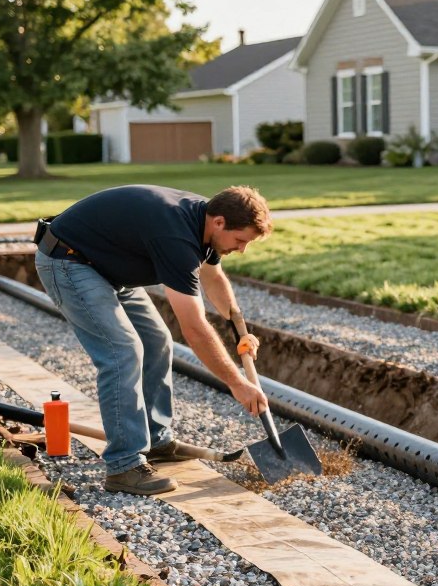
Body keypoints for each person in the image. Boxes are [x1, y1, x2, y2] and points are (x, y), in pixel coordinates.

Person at [34, 184, 273, 496]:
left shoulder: (207, 220)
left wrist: (239, 328)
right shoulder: (177, 237)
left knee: (157, 340)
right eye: (240, 241)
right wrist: (237, 383)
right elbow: (194, 328)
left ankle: (156, 441)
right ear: (219, 223)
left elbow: (213, 277)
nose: (242, 249)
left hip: (107, 265)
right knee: (122, 351)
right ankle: (123, 465)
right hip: (69, 261)